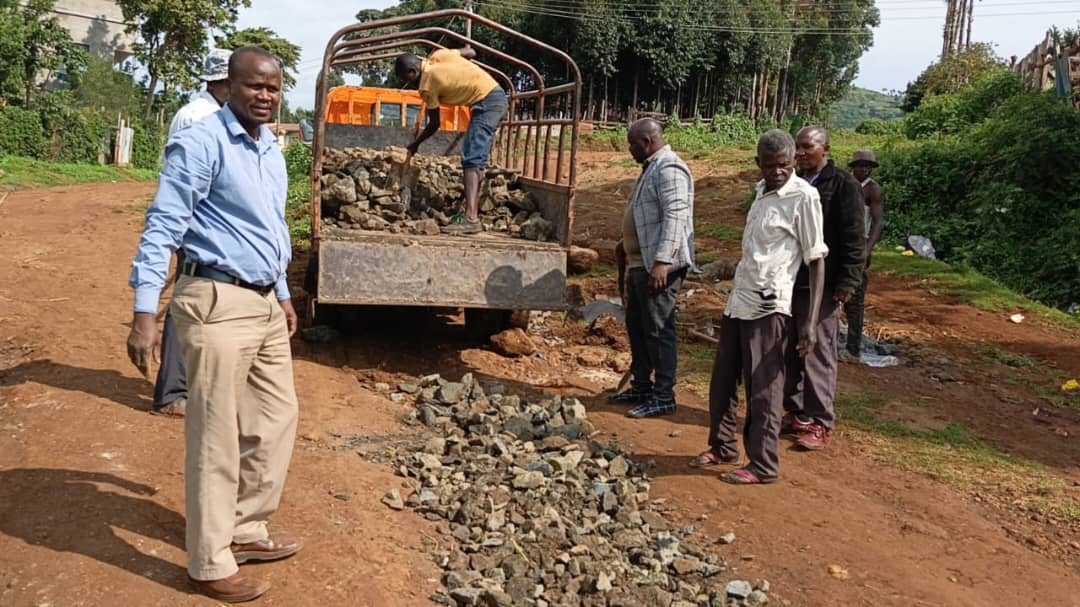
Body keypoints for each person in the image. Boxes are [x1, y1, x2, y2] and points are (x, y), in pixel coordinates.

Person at [126, 47, 300, 603]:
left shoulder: (271, 149)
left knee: (276, 420)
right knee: (217, 435)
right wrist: (145, 312)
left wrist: (285, 293)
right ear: (230, 86)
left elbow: (272, 226)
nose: (265, 96)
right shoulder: (202, 142)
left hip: (265, 303)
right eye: (254, 86)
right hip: (216, 300)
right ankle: (207, 561)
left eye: (273, 87)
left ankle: (245, 530)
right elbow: (163, 226)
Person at [690, 129, 827, 485]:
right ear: (758, 165)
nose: (777, 172)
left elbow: (816, 260)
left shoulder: (804, 197)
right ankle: (722, 446)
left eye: (784, 165)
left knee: (764, 388)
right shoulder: (760, 193)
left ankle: (763, 464)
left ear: (793, 161)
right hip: (740, 301)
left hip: (771, 306)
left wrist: (809, 322)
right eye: (769, 166)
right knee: (722, 382)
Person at [151, 48, 233, 418]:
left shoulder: (206, 112)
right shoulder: (200, 117)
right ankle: (172, 391)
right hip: (193, 222)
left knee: (195, 303)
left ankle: (186, 386)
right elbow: (187, 180)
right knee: (185, 304)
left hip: (200, 223)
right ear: (224, 82)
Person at [782, 126, 866, 451]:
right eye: (797, 147)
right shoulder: (792, 183)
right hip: (791, 280)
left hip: (825, 284)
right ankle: (797, 412)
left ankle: (821, 421)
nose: (800, 153)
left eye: (807, 147)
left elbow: (854, 239)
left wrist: (848, 282)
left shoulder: (843, 185)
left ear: (826, 149)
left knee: (817, 351)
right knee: (789, 349)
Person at [606, 118, 695, 419]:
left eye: (632, 144)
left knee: (658, 330)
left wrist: (663, 262)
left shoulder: (669, 168)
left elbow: (675, 217)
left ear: (646, 142)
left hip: (656, 267)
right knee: (639, 328)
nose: (629, 150)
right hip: (638, 264)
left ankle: (663, 394)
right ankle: (642, 385)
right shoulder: (651, 168)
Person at [394, 48, 508, 234]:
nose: (410, 85)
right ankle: (470, 213)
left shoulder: (427, 84)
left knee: (471, 159)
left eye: (407, 80)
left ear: (413, 72)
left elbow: (434, 124)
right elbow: (471, 52)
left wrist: (415, 144)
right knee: (476, 160)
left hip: (487, 103)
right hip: (495, 96)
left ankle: (471, 219)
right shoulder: (439, 55)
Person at [843, 150, 884, 359]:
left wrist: (868, 248)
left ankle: (853, 347)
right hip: (841, 244)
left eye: (867, 166)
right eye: (859, 165)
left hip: (859, 246)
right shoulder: (847, 185)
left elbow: (878, 221)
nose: (863, 169)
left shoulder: (872, 190)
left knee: (855, 299)